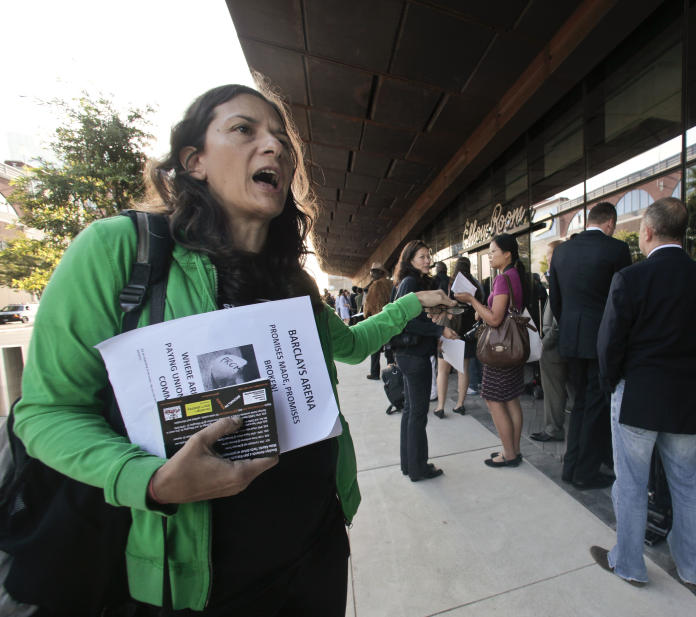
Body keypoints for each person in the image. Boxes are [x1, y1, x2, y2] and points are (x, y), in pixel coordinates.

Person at [9, 84, 455, 616]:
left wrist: (412, 303)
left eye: (282, 141)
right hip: (202, 582)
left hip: (315, 548)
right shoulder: (119, 250)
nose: (275, 149)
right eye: (244, 129)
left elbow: (354, 348)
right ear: (194, 161)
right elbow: (47, 413)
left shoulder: (292, 282)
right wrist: (148, 480)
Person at [592, 197, 696, 587]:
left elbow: (609, 343)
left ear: (648, 232)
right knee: (687, 484)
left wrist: (612, 383)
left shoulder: (631, 278)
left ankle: (630, 565)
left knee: (632, 484)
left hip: (638, 394)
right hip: (687, 393)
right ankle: (691, 570)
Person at [548, 202, 631, 489]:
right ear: (610, 223)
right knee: (596, 406)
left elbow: (556, 301)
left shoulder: (561, 251)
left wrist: (571, 327)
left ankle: (571, 467)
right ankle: (585, 472)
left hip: (571, 338)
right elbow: (623, 301)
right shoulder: (617, 250)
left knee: (580, 403)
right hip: (601, 339)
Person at [456, 234, 528, 467]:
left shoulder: (501, 279)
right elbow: (503, 311)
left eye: (494, 251)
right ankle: (514, 451)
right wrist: (483, 308)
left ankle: (509, 454)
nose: (490, 255)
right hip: (513, 347)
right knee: (511, 400)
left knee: (494, 400)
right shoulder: (515, 275)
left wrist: (472, 301)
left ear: (507, 253)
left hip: (500, 351)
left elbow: (496, 319)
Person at [393, 240, 458, 482]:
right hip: (414, 354)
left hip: (411, 353)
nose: (428, 260)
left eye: (428, 255)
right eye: (422, 256)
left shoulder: (412, 281)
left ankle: (410, 464)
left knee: (411, 410)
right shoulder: (410, 282)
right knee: (418, 412)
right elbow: (405, 320)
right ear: (410, 259)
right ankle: (418, 468)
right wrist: (439, 332)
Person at [530, 240, 570, 442]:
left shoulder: (561, 277)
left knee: (553, 390)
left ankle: (553, 429)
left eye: (550, 254)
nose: (547, 258)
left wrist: (544, 344)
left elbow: (557, 321)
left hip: (554, 343)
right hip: (561, 342)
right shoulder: (560, 276)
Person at [434, 257, 484, 418]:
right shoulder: (476, 286)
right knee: (463, 369)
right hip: (467, 334)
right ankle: (460, 404)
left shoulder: (450, 284)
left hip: (449, 332)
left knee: (443, 370)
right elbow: (478, 313)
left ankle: (440, 407)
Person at [364, 262, 394, 380]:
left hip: (377, 322)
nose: (371, 274)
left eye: (373, 272)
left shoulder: (375, 286)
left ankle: (375, 373)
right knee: (390, 348)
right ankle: (393, 372)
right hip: (390, 320)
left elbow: (369, 306)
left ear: (380, 273)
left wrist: (367, 317)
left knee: (375, 349)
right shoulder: (390, 284)